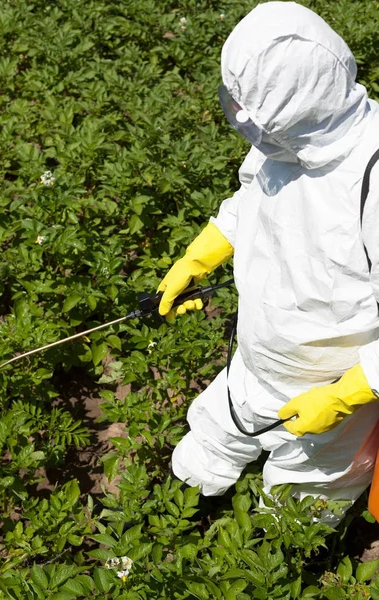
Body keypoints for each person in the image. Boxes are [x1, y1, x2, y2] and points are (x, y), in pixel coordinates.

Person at [157, 1, 379, 525]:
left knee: (308, 487)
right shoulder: (286, 140)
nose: (240, 119)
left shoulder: (371, 177)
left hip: (329, 382)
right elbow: (253, 198)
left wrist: (346, 396)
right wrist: (201, 254)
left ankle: (282, 556)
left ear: (298, 102)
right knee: (219, 425)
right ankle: (177, 505)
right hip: (258, 353)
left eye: (250, 109)